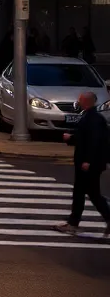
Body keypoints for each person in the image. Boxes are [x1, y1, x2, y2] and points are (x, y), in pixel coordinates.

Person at [55, 91, 110, 236]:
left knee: (82, 193)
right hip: (90, 163)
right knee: (92, 194)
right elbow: (84, 138)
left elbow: (94, 142)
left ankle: (73, 223)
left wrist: (88, 161)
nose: (78, 102)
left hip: (89, 164)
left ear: (86, 101)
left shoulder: (93, 118)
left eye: (80, 100)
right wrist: (71, 138)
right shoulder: (92, 117)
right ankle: (75, 222)